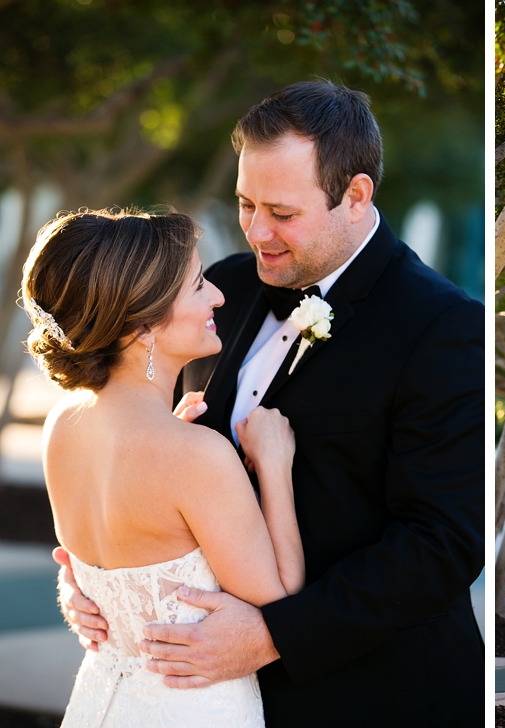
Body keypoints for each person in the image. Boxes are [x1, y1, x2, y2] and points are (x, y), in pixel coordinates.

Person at [58, 80, 484, 726]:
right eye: (244, 204)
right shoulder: (220, 289)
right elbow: (159, 456)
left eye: (281, 213)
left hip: (374, 696)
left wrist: (273, 634)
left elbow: (443, 543)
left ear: (356, 195)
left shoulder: (445, 327)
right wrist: (103, 586)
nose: (257, 232)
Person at [25, 209, 304, 727]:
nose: (219, 296)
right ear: (144, 326)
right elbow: (281, 601)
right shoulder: (196, 455)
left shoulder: (61, 424)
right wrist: (275, 467)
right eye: (198, 285)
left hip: (98, 704)